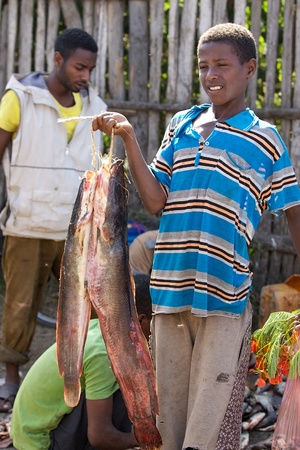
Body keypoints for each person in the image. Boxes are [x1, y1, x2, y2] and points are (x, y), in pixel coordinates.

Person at [92, 23, 300, 449]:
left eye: (222, 65)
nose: (211, 75)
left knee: (206, 419)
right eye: (204, 66)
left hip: (223, 294)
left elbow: (293, 211)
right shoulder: (181, 125)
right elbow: (154, 201)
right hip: (170, 290)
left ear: (250, 69)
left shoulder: (265, 140)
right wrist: (130, 138)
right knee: (169, 416)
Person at [0, 28, 107, 412]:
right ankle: (11, 378)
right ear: (58, 60)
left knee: (84, 303)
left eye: (91, 69)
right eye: (80, 67)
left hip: (75, 229)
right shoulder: (20, 99)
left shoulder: (95, 104)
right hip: (27, 221)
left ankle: (81, 379)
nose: (86, 76)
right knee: (20, 304)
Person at [10, 273, 152, 450]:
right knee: (129, 389)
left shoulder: (102, 328)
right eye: (157, 324)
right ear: (140, 321)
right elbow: (100, 437)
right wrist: (145, 439)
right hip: (41, 443)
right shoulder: (105, 353)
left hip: (32, 433)